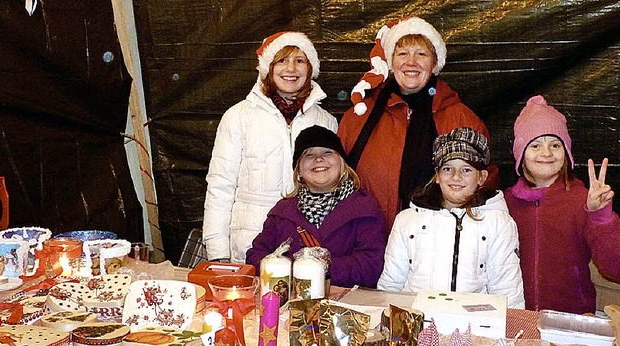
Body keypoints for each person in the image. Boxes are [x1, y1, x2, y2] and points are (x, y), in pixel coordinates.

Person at [338, 17, 497, 232]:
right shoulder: (359, 117)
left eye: (421, 54)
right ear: (391, 61)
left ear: (434, 63)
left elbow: (485, 183)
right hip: (369, 243)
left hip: (438, 246)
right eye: (402, 54)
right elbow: (336, 180)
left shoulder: (462, 120)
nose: (410, 62)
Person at [203, 32, 338, 263]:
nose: (291, 69)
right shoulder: (238, 117)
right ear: (268, 68)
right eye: (282, 60)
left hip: (306, 246)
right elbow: (220, 186)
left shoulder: (326, 122)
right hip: (250, 243)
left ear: (310, 68)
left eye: (299, 60)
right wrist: (217, 254)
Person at [378, 127, 525, 307]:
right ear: (437, 176)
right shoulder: (406, 220)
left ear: (482, 177)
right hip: (415, 325)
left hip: (474, 327)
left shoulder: (499, 224)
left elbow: (507, 291)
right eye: (447, 169)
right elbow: (390, 284)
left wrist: (508, 329)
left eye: (466, 170)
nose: (456, 177)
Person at [505, 96, 620, 314]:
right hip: (516, 318)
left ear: (566, 153)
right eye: (535, 145)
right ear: (520, 154)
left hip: (572, 320)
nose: (546, 153)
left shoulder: (583, 200)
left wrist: (602, 217)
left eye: (555, 145)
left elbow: (615, 268)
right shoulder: (505, 203)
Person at [246, 126, 387, 288]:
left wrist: (320, 268)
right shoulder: (282, 213)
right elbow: (254, 256)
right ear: (298, 170)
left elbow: (372, 266)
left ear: (342, 165)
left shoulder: (364, 209)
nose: (318, 159)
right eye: (309, 154)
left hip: (347, 308)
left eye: (327, 152)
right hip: (290, 307)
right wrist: (287, 268)